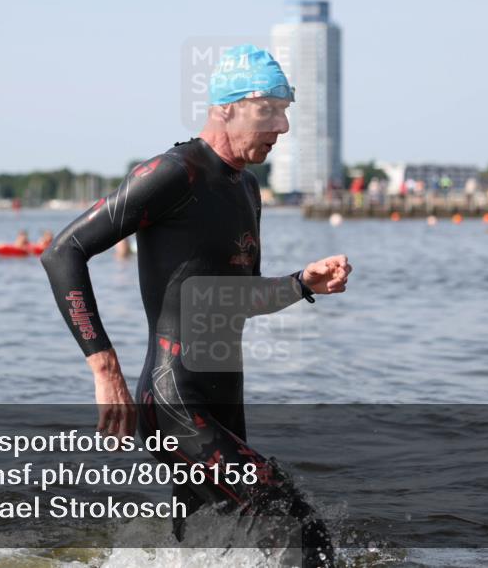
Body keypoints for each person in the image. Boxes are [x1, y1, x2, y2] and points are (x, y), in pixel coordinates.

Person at [41, 45, 351, 566]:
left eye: (286, 110)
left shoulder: (247, 190)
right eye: (269, 110)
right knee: (300, 531)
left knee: (213, 550)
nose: (283, 127)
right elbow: (62, 253)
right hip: (174, 402)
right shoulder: (171, 173)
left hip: (224, 398)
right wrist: (104, 368)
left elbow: (240, 298)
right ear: (225, 107)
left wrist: (302, 284)